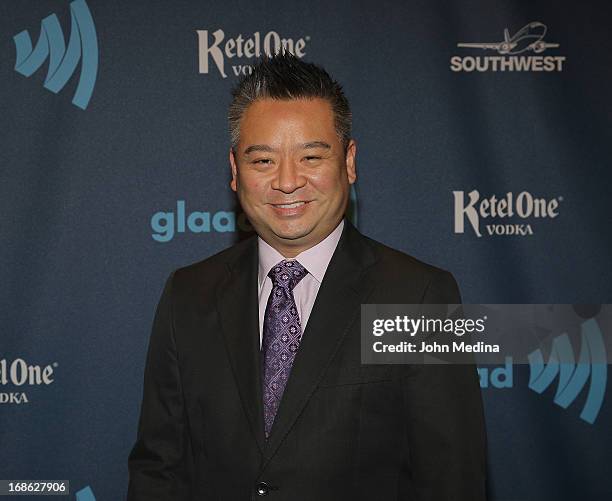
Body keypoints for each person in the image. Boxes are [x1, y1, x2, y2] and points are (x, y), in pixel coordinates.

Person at [127, 52, 487, 501]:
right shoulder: (187, 295)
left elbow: (452, 482)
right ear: (235, 171)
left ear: (349, 162)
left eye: (311, 156)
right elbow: (159, 470)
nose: (287, 181)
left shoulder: (419, 296)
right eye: (263, 162)